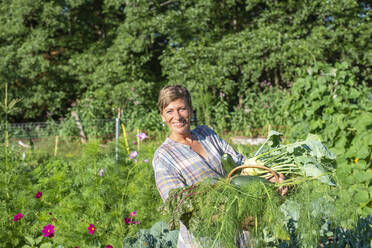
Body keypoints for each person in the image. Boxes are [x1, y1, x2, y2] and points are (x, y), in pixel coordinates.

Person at [152, 85, 286, 247]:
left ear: (191, 111)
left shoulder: (206, 134)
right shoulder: (164, 156)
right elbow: (177, 204)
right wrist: (234, 217)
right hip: (205, 240)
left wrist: (273, 177)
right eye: (169, 111)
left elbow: (240, 165)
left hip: (240, 236)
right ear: (162, 116)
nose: (177, 116)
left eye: (182, 109)